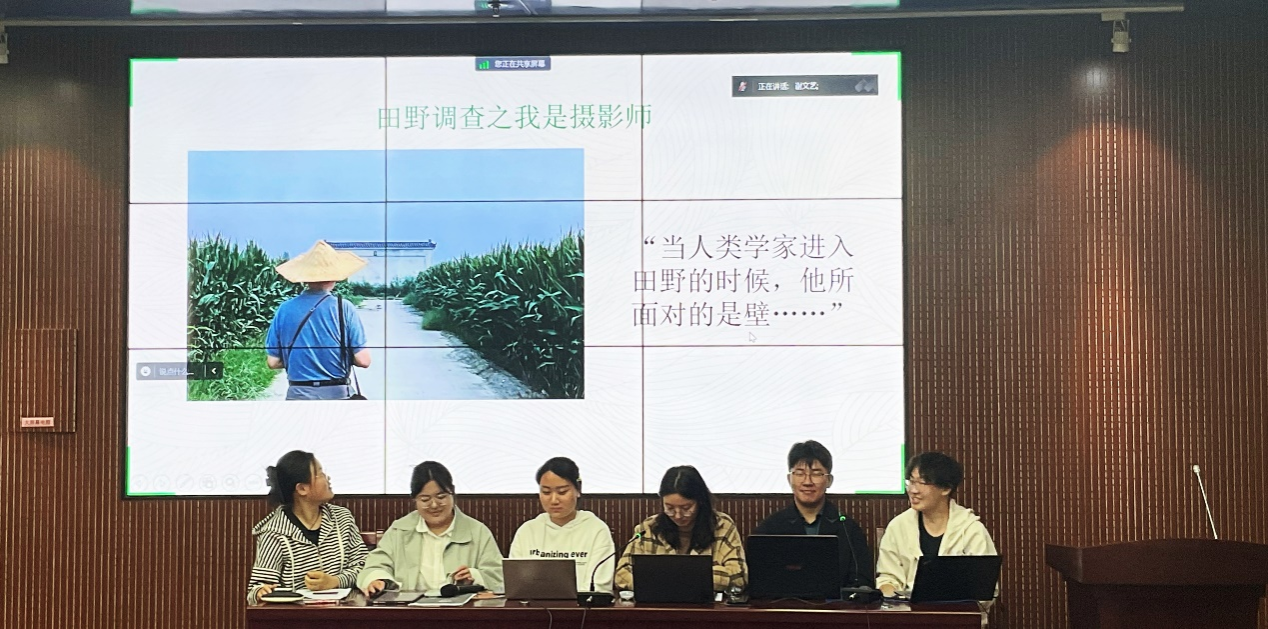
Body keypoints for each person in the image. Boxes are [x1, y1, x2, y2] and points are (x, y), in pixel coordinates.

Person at [357, 461, 504, 595]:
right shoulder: (399, 530)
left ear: (453, 493)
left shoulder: (477, 531)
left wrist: (474, 576)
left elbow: (500, 577)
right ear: (414, 499)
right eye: (425, 499)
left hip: (461, 611)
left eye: (441, 497)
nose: (434, 505)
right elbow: (374, 566)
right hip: (409, 610)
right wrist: (378, 580)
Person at [246, 451, 368, 604]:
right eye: (320, 473)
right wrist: (261, 591)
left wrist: (336, 581)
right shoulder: (274, 533)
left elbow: (365, 567)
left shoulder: (342, 518)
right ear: (302, 488)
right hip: (297, 614)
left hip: (345, 610)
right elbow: (256, 589)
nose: (328, 478)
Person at [875, 451, 998, 597]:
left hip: (958, 610)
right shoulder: (898, 526)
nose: (913, 490)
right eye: (911, 481)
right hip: (906, 610)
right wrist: (891, 594)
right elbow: (887, 577)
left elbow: (986, 587)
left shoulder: (971, 529)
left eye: (922, 483)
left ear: (946, 488)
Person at [753, 440, 874, 587]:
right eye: (799, 473)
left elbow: (862, 580)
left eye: (816, 474)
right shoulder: (770, 528)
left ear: (829, 480)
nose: (807, 482)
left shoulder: (848, 529)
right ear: (789, 479)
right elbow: (759, 580)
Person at [264, 240, 371, 400]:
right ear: (334, 276)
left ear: (305, 277)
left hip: (298, 396)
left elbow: (273, 362)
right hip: (338, 396)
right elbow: (363, 360)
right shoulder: (344, 307)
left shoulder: (284, 309)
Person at [614, 465, 746, 593]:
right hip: (659, 604)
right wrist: (697, 577)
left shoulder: (722, 526)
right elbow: (622, 575)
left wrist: (663, 578)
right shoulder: (649, 528)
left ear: (700, 501)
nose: (678, 515)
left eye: (686, 508)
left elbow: (738, 577)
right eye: (670, 508)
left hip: (706, 605)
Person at [509, 457, 617, 592]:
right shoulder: (528, 530)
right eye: (546, 492)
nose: (554, 500)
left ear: (578, 490)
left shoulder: (596, 529)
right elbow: (516, 582)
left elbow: (600, 586)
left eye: (562, 492)